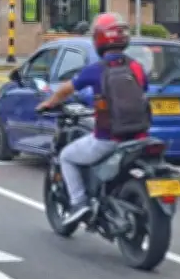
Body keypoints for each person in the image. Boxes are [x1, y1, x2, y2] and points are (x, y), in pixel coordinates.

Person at [36, 12, 151, 227]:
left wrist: (49, 103)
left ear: (99, 39)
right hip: (141, 136)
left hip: (108, 139)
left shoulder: (96, 70)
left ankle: (80, 203)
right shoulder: (136, 67)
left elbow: (65, 90)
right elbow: (142, 91)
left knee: (67, 157)